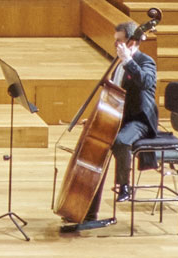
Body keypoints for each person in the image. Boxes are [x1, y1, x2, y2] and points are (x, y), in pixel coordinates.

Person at [61, 21, 158, 233]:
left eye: (119, 41)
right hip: (120, 117)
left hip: (139, 120)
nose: (115, 44)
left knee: (121, 141)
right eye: (115, 40)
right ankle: (86, 211)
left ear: (132, 42)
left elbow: (145, 82)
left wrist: (129, 60)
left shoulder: (144, 61)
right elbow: (113, 97)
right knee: (97, 151)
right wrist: (99, 118)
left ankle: (125, 185)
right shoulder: (116, 63)